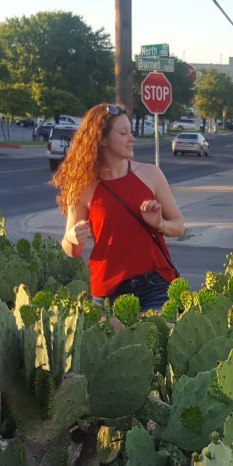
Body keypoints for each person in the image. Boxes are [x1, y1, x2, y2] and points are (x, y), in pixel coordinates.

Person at [54, 103, 186, 312]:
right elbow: (73, 251)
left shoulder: (151, 175)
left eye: (130, 132)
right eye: (123, 133)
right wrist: (71, 238)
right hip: (109, 291)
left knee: (155, 339)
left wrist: (159, 224)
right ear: (102, 139)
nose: (131, 139)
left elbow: (179, 226)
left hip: (155, 283)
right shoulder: (82, 187)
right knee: (118, 345)